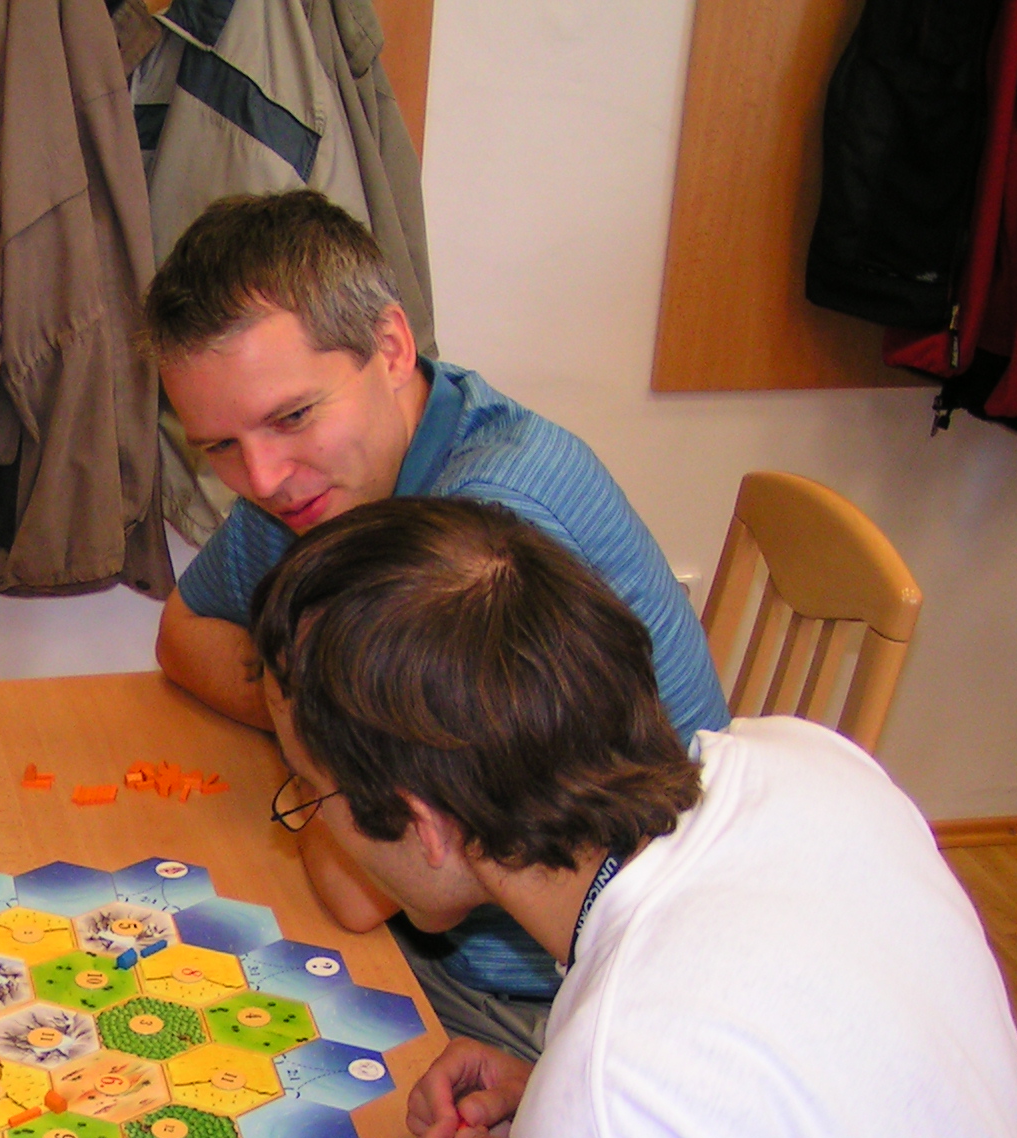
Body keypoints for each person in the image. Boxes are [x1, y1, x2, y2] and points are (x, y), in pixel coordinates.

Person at [250, 496, 1017, 1138]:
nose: (315, 823)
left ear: (427, 828)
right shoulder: (805, 763)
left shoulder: (621, 1121)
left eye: (311, 795)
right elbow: (792, 1090)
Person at [143, 189, 728, 1063]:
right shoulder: (319, 481)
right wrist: (331, 738)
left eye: (291, 416)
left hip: (549, 996)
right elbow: (184, 633)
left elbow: (355, 893)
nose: (261, 478)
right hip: (453, 938)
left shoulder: (481, 530)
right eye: (219, 447)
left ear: (390, 347)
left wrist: (320, 740)